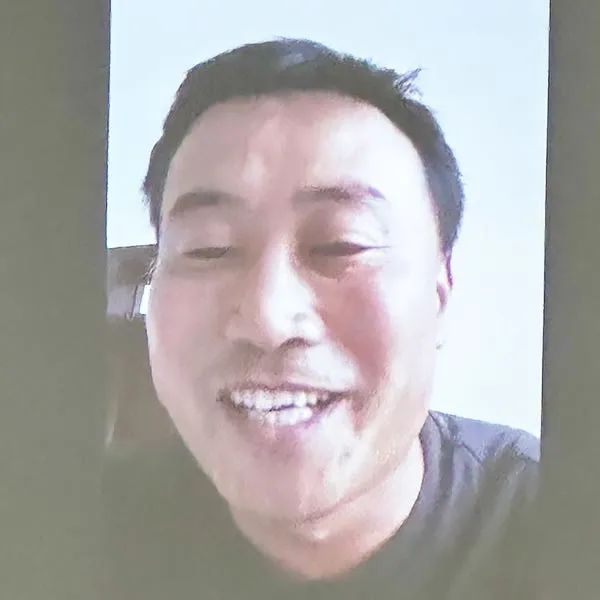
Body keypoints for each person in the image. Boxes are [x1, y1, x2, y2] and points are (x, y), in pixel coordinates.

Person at [104, 38, 540, 599]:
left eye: (341, 245)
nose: (268, 317)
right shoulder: (68, 527)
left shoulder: (555, 520)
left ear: (439, 294)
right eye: (209, 249)